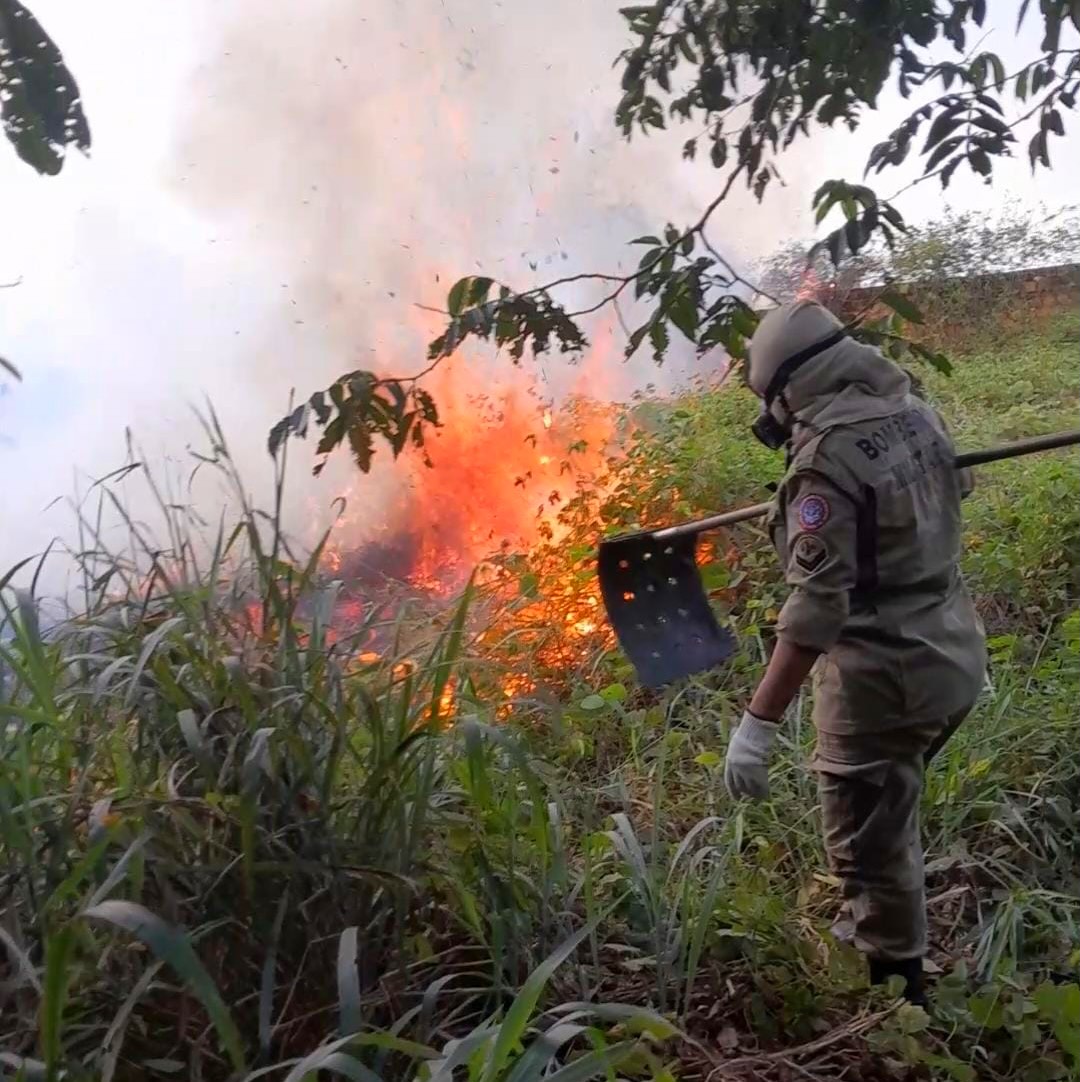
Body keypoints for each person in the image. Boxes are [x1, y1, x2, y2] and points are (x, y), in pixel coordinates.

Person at [722, 299, 986, 1005]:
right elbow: (958, 486)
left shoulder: (824, 463)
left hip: (885, 682)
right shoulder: (915, 410)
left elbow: (815, 608)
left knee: (869, 850)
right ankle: (884, 929)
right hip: (953, 654)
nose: (770, 412)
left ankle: (902, 1002)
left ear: (792, 385)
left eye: (770, 397)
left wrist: (758, 725)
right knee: (890, 810)